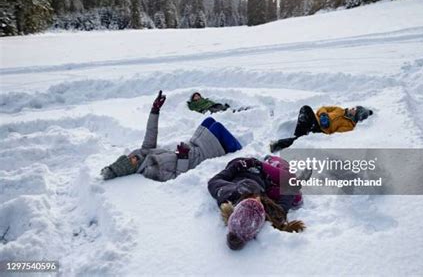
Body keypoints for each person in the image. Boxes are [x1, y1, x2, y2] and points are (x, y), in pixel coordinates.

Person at [101, 91, 242, 182]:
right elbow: (177, 176)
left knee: (208, 121)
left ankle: (227, 144)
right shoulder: (151, 170)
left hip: (192, 147)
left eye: (128, 157)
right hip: (198, 157)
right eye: (130, 161)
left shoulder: (144, 153)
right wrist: (183, 157)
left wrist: (155, 110)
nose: (132, 157)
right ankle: (239, 151)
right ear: (131, 169)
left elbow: (151, 132)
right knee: (217, 128)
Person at [208, 156, 307, 250]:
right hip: (264, 181)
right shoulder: (271, 213)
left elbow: (213, 181)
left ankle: (271, 161)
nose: (256, 198)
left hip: (246, 167)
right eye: (257, 203)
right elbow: (287, 197)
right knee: (296, 196)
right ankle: (275, 166)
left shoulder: (228, 194)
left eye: (249, 199)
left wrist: (238, 166)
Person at [270, 105, 374, 152]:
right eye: (354, 107)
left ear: (357, 115)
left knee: (301, 134)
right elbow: (323, 108)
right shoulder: (339, 109)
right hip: (316, 120)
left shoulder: (349, 125)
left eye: (355, 109)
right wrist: (324, 115)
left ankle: (281, 143)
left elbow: (336, 134)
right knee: (305, 109)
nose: (352, 108)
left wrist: (327, 125)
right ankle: (297, 139)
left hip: (321, 130)